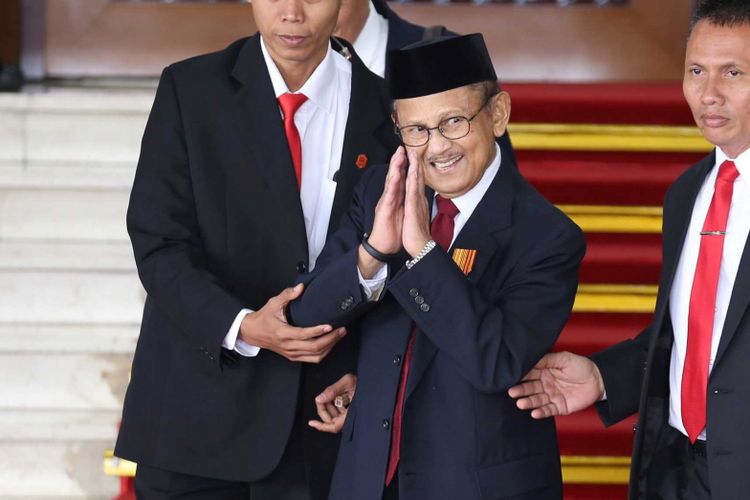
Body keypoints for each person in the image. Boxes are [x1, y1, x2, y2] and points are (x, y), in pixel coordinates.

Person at [113, 0, 399, 496]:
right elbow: (159, 243)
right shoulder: (190, 90)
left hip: (321, 419)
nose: (291, 12)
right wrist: (242, 325)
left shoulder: (388, 108)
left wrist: (369, 378)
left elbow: (406, 260)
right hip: (195, 415)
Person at [288, 34, 585, 500]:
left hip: (476, 485)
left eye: (453, 122)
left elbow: (495, 361)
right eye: (416, 130)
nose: (436, 147)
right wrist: (373, 253)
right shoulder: (380, 193)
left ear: (498, 114)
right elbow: (305, 317)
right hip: (367, 480)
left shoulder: (546, 235)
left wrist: (423, 253)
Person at [507, 1, 750, 498]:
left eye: (734, 73)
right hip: (675, 469)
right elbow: (693, 335)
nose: (709, 94)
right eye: (696, 71)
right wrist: (603, 376)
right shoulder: (688, 192)